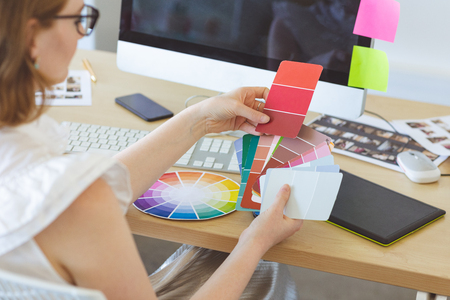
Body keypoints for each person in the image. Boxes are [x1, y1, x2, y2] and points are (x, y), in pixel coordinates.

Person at [0, 0, 303, 299]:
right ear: (31, 38)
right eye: (78, 18)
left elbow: (95, 191)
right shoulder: (81, 206)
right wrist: (256, 240)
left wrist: (200, 119)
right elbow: (84, 202)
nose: (82, 33)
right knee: (265, 271)